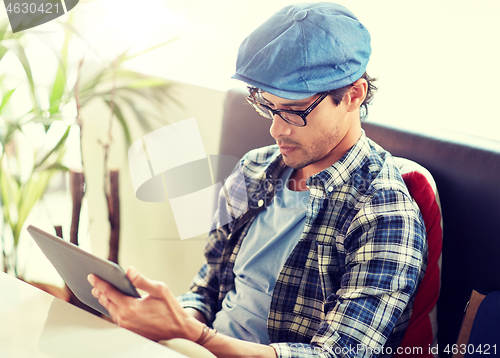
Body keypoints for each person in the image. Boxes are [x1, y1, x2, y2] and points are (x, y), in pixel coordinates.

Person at [88, 3, 427, 357]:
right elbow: (208, 287)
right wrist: (173, 324)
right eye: (267, 105)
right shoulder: (254, 169)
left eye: (295, 112)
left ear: (353, 95)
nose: (275, 129)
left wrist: (196, 336)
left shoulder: (384, 212)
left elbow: (338, 354)